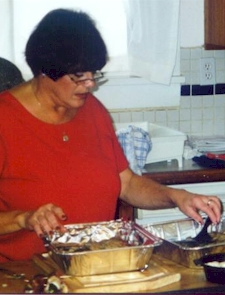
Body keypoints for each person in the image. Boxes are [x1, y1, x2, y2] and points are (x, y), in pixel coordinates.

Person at [0, 8, 221, 262]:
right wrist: (23, 218)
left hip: (95, 267)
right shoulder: (5, 120)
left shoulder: (93, 111)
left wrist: (176, 196)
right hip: (25, 275)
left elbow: (125, 183)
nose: (91, 83)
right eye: (79, 76)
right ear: (45, 72)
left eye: (94, 74)